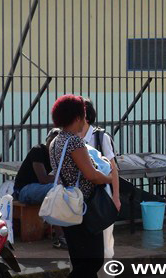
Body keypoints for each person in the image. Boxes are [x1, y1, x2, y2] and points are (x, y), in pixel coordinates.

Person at [48, 94, 117, 278]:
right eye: (83, 116)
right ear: (77, 117)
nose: (84, 121)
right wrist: (109, 179)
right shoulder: (74, 141)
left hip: (67, 206)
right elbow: (91, 175)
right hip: (84, 208)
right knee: (93, 261)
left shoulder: (56, 141)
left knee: (80, 260)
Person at [13, 128, 67, 248]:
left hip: (37, 189)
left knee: (63, 191)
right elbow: (43, 179)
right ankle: (61, 237)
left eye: (56, 142)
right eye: (51, 140)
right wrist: (60, 180)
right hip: (23, 190)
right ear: (47, 140)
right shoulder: (38, 150)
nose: (52, 144)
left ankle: (66, 234)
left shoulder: (57, 156)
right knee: (56, 190)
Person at [82, 98, 120, 262]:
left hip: (101, 197)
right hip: (81, 199)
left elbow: (113, 169)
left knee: (105, 247)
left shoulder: (100, 137)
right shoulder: (71, 137)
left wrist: (116, 197)